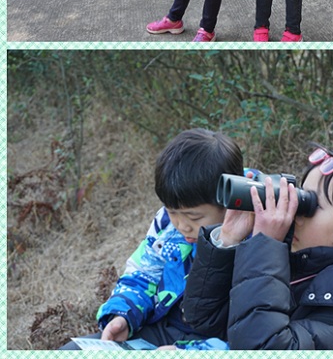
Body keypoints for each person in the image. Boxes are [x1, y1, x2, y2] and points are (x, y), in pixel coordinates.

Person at [182, 147, 333, 350]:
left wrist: (264, 246)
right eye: (301, 197)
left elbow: (262, 348)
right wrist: (228, 240)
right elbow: (205, 319)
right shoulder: (304, 262)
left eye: (311, 205)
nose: (296, 214)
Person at [59, 128, 244, 349]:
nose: (182, 225)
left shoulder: (255, 236)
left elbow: (255, 329)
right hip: (163, 330)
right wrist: (123, 315)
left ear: (228, 201)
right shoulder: (167, 226)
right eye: (172, 212)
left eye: (194, 217)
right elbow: (143, 273)